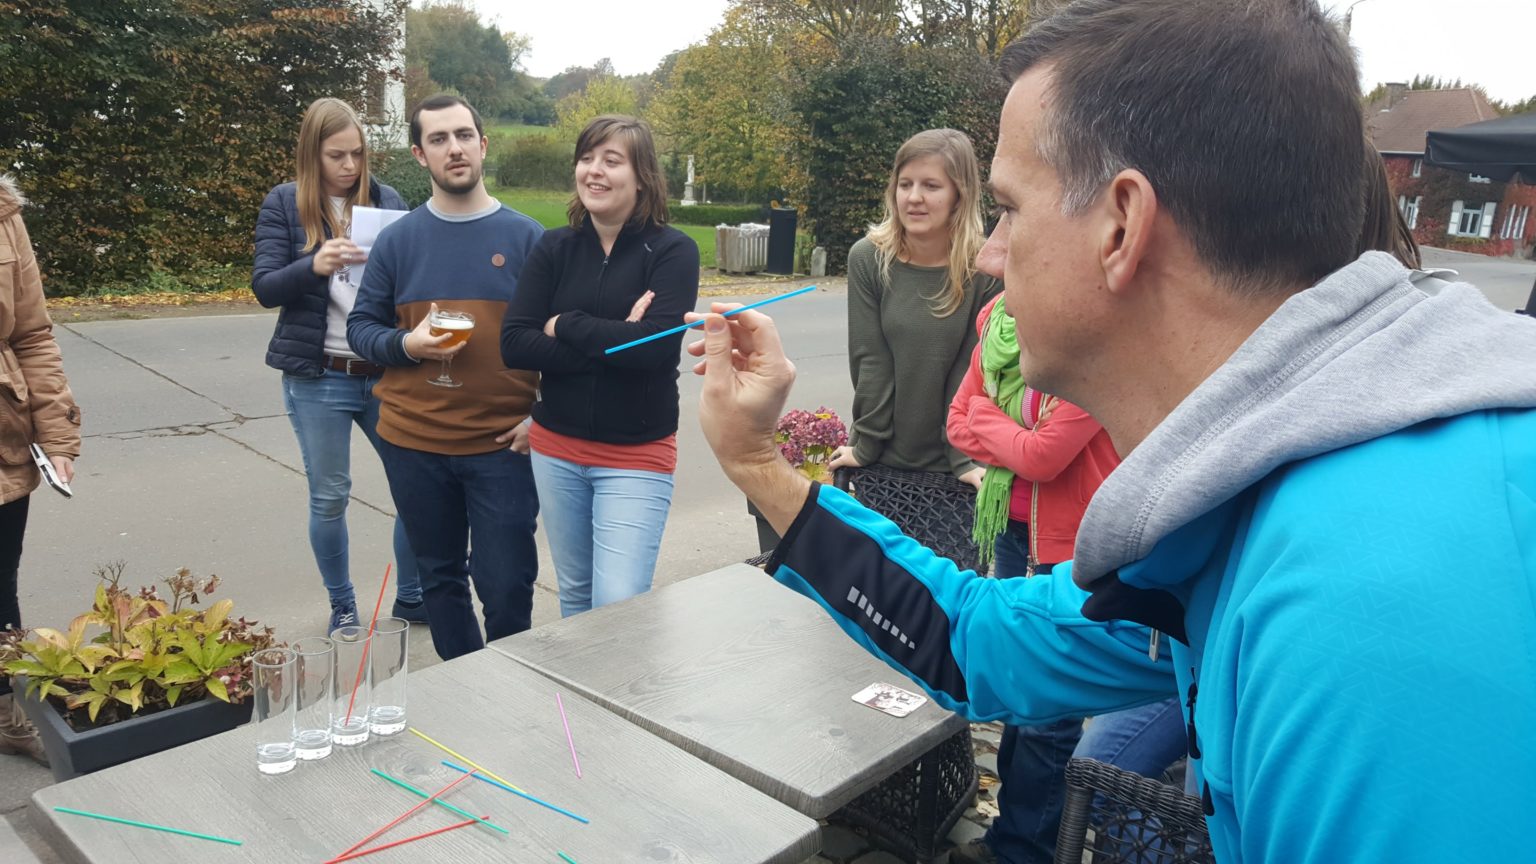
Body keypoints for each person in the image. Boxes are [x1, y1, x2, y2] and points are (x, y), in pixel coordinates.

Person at [685, 0, 1536, 860]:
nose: (990, 253)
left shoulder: (1369, 611)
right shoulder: (1262, 486)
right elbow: (979, 641)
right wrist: (757, 462)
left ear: (1121, 225)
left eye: (1010, 208)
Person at [945, 292, 1180, 864]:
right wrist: (1011, 436)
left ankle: (1025, 847)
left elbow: (1044, 457)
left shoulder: (1100, 337)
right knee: (1016, 682)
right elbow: (955, 422)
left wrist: (988, 419)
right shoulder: (998, 324)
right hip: (1010, 529)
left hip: (1073, 543)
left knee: (1050, 712)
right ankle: (1013, 830)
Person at [347, 94, 543, 661]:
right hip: (414, 443)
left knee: (507, 585)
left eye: (463, 135)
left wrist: (544, 415)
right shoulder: (399, 241)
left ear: (483, 144)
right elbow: (361, 328)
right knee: (439, 580)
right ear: (420, 154)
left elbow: (560, 342)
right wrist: (406, 344)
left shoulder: (529, 239)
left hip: (503, 445)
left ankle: (511, 684)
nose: (453, 148)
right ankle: (465, 684)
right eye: (438, 139)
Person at [500, 115, 699, 617]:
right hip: (555, 448)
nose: (594, 170)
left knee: (617, 607)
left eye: (612, 161)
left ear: (642, 176)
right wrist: (616, 338)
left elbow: (652, 350)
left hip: (636, 454)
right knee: (576, 595)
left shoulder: (673, 251)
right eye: (586, 158)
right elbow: (515, 344)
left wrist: (564, 322)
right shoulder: (554, 247)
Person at [251, 97, 424, 632]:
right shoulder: (285, 203)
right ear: (312, 154)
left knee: (416, 488)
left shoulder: (386, 200)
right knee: (330, 497)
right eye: (336, 156)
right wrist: (314, 264)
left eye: (357, 153)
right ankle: (342, 604)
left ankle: (412, 597)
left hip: (384, 371)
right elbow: (265, 288)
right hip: (319, 374)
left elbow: (411, 279)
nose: (350, 166)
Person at [828, 129, 1002, 488]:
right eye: (905, 184)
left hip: (958, 468)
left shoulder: (985, 270)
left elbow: (972, 371)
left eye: (931, 186)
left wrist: (962, 458)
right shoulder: (868, 258)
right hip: (880, 460)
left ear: (959, 194)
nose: (914, 198)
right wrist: (866, 446)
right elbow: (870, 360)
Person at [0, 174, 82, 765]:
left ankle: (6, 708)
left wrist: (56, 434)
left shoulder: (3, 214)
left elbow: (31, 334)